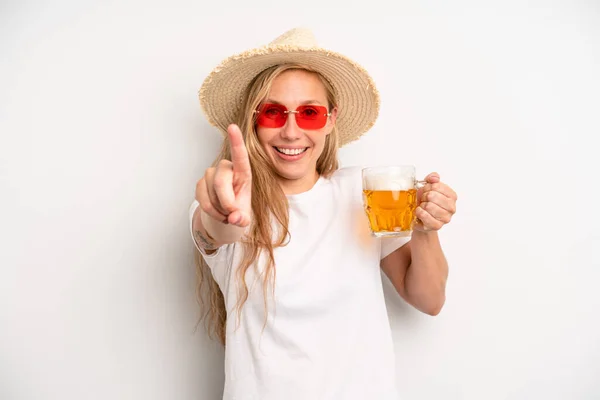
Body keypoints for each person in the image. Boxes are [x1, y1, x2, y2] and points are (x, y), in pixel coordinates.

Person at [189, 27, 458, 400]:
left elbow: (429, 300)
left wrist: (427, 229)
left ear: (331, 120)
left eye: (310, 113)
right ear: (254, 121)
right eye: (273, 113)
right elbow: (215, 230)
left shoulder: (364, 194)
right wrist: (220, 213)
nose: (291, 131)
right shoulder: (232, 201)